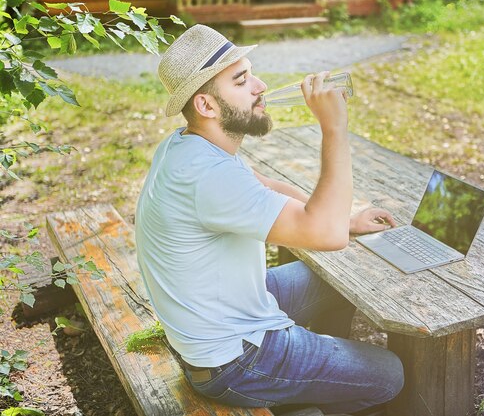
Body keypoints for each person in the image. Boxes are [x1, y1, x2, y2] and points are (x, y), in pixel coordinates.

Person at [135, 24, 404, 415]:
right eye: (242, 80)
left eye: (251, 73)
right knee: (390, 374)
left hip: (226, 311)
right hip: (232, 360)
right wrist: (334, 128)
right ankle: (300, 401)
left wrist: (346, 218)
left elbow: (268, 186)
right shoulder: (208, 177)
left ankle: (311, 378)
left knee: (340, 278)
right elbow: (325, 235)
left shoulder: (189, 144)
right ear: (206, 106)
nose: (260, 86)